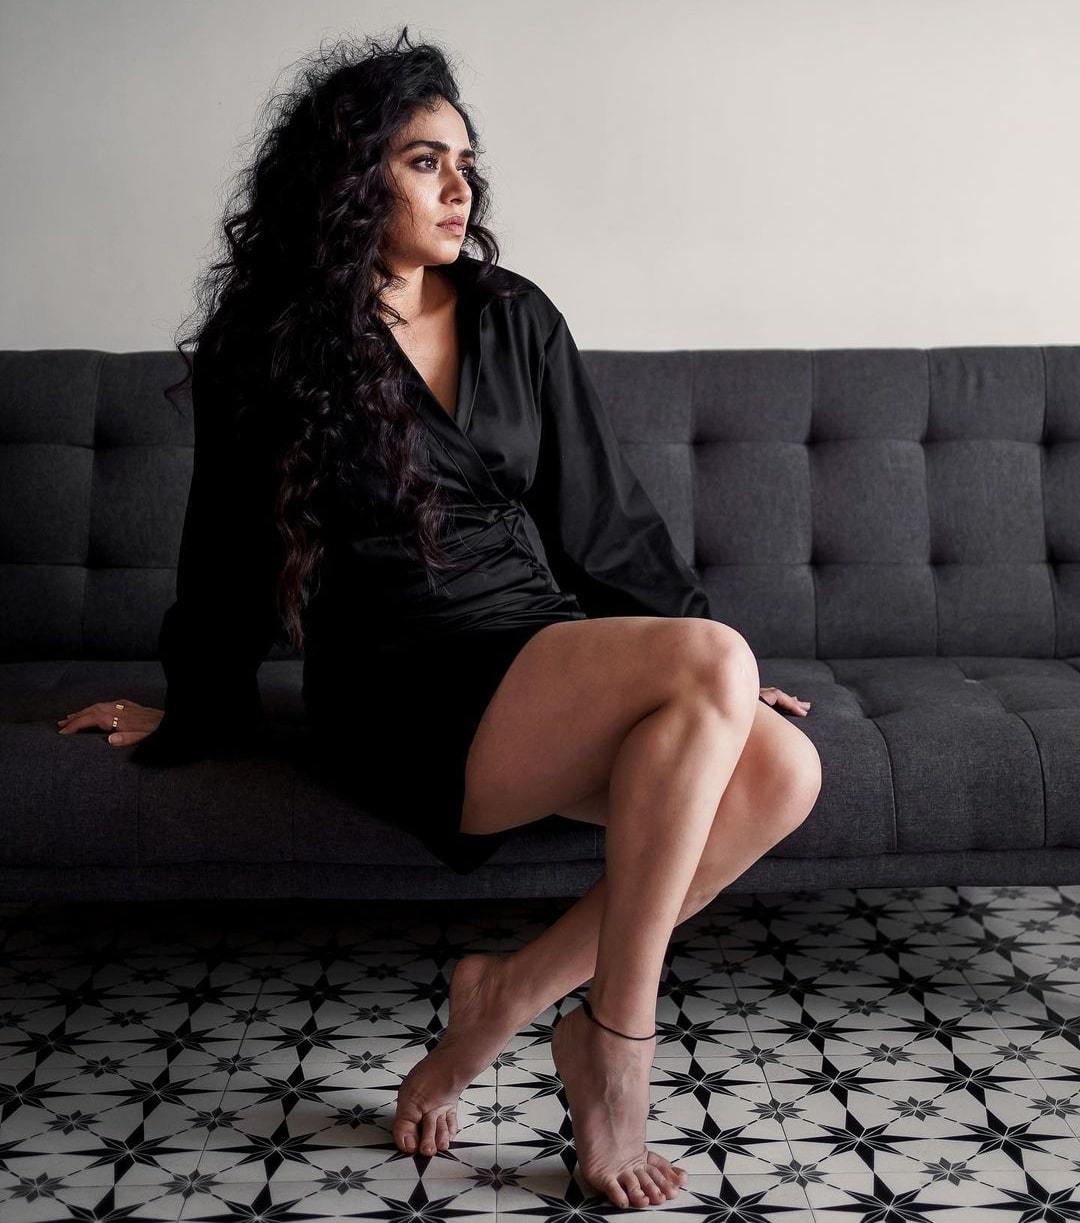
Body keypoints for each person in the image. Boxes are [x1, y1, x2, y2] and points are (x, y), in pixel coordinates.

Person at [54, 29, 821, 1210]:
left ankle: (510, 993)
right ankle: (616, 1051)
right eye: (424, 161)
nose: (460, 187)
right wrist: (194, 707)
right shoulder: (272, 349)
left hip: (532, 642)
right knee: (715, 673)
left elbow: (604, 520)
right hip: (400, 685)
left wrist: (702, 669)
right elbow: (225, 555)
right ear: (352, 178)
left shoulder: (516, 315)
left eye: (465, 161)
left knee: (781, 771)